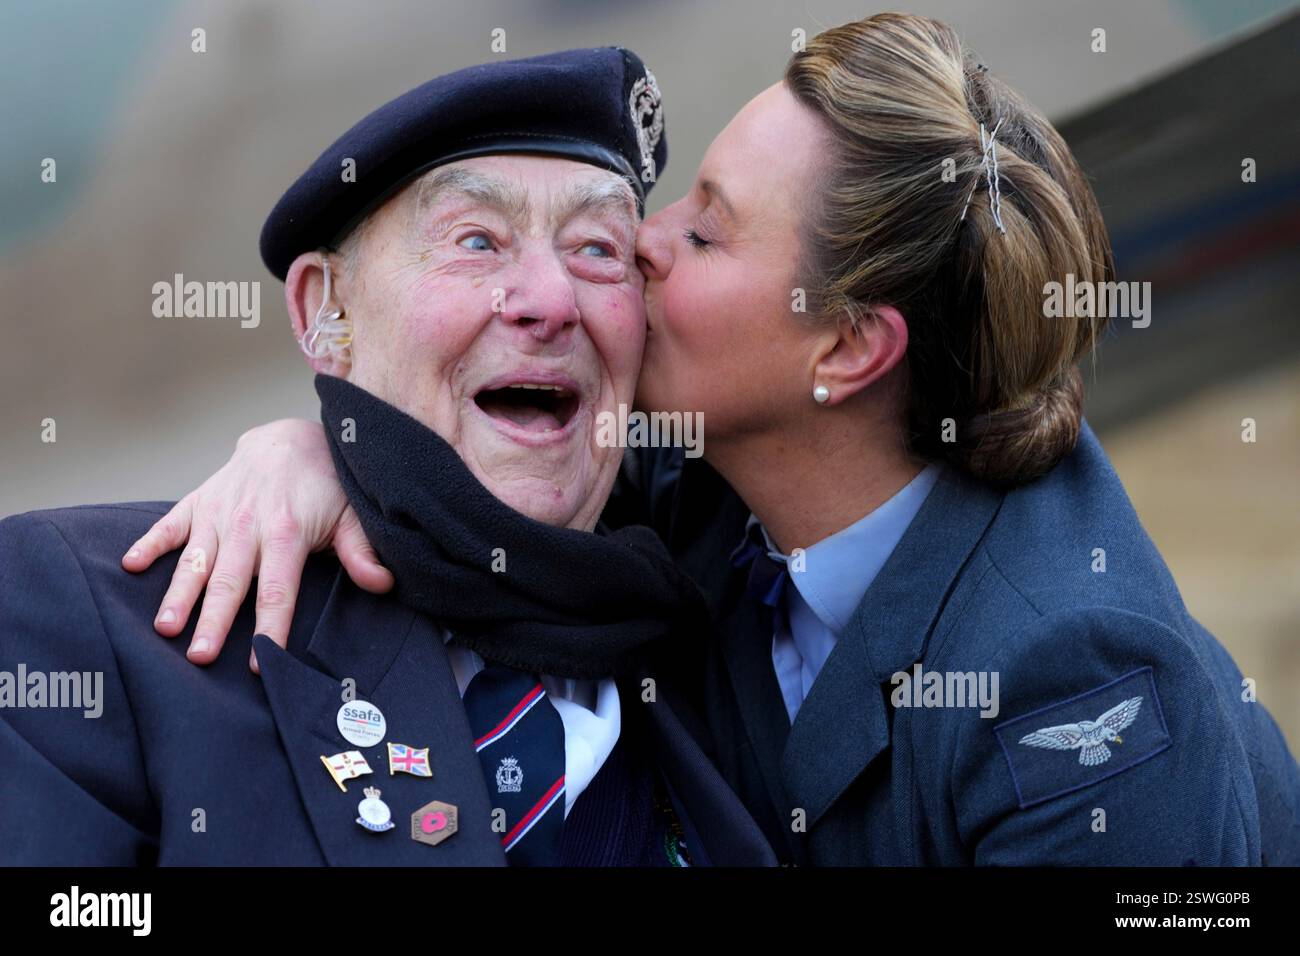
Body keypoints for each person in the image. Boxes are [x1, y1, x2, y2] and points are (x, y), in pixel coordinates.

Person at [123, 15, 1300, 865]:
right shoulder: (726, 480)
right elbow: (487, 463)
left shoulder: (1078, 691)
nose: (641, 243)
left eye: (707, 231)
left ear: (843, 352)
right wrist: (317, 451)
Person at [0, 46, 776, 867]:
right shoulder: (89, 623)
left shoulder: (734, 648)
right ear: (324, 312)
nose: (551, 302)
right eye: (477, 241)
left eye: (597, 251)